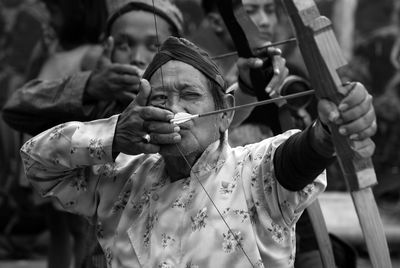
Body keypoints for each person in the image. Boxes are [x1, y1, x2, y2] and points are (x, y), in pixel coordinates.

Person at [21, 36, 376, 268]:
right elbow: (36, 160)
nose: (173, 109)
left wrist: (330, 129)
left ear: (224, 113)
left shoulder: (253, 171)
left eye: (190, 95)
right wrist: (115, 134)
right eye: (159, 99)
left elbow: (300, 156)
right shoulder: (121, 177)